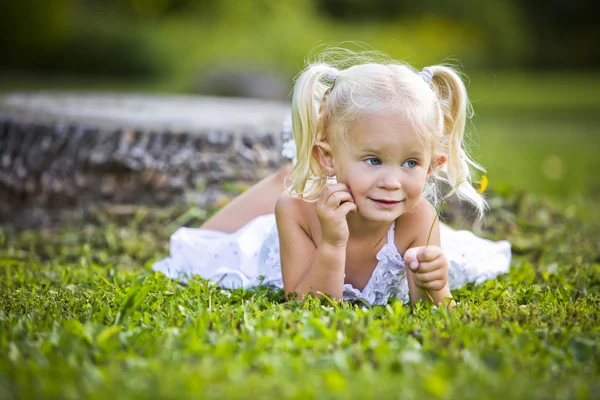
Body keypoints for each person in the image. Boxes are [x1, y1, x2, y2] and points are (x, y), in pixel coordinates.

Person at [152, 49, 511, 307]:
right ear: (327, 158)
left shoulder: (419, 218)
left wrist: (434, 284)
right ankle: (291, 174)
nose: (392, 181)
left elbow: (433, 310)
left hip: (367, 210)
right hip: (282, 238)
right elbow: (311, 306)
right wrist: (333, 244)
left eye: (411, 163)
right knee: (202, 245)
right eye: (373, 160)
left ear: (433, 165)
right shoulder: (295, 213)